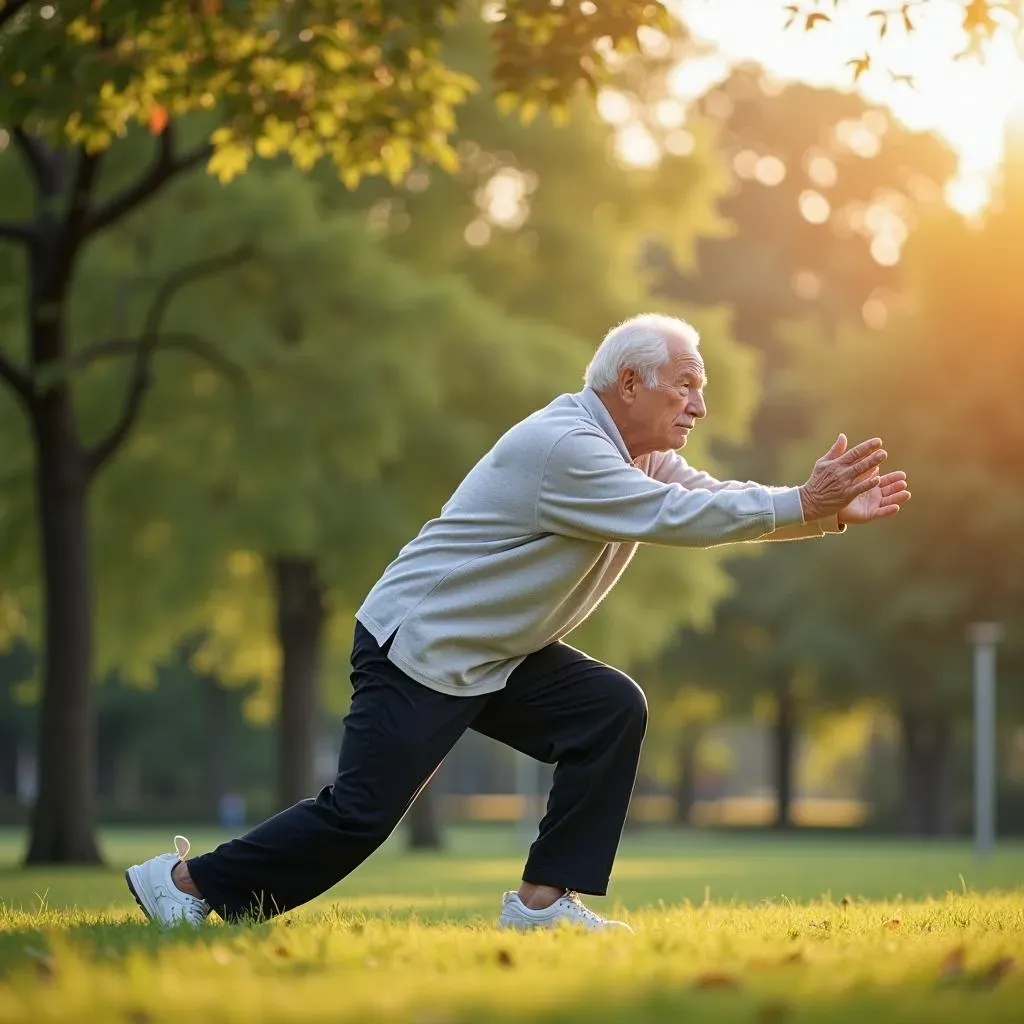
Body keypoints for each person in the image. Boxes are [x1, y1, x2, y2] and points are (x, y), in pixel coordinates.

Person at [125, 313, 910, 932]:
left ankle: (540, 905)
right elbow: (674, 516)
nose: (700, 405)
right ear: (630, 382)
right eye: (686, 385)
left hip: (498, 653)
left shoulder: (633, 454)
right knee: (360, 816)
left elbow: (703, 499)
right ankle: (184, 884)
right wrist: (803, 503)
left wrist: (820, 513)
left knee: (608, 709)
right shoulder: (567, 447)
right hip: (422, 648)